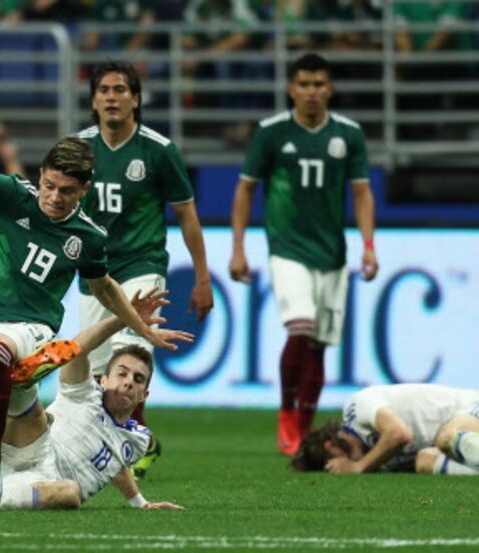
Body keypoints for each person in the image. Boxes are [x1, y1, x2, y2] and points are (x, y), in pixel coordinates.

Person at [0, 107, 188, 511]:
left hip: (30, 328)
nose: (54, 197)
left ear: (83, 190)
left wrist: (142, 329)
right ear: (40, 176)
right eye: (48, 185)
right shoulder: (10, 194)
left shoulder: (89, 237)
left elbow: (103, 287)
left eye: (66, 191)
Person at [229, 52, 378, 457]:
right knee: (301, 328)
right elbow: (245, 189)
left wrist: (368, 247)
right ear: (291, 89)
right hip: (287, 248)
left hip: (331, 253)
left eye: (319, 84)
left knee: (319, 345)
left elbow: (362, 192)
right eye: (304, 84)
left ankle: (305, 428)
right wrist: (238, 248)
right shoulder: (271, 132)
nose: (312, 92)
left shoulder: (349, 134)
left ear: (330, 88)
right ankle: (286, 411)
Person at [76, 60, 214, 478]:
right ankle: (124, 445)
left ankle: (131, 447)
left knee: (131, 360)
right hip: (94, 274)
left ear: (136, 99)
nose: (112, 97)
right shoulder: (77, 149)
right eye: (104, 90)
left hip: (143, 266)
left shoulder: (158, 150)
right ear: (94, 101)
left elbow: (187, 215)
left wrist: (203, 277)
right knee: (99, 375)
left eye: (121, 90)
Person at [0, 288, 190, 510]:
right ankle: (11, 376)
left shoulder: (138, 440)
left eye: (138, 379)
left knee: (70, 493)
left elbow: (116, 463)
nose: (129, 381)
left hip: (44, 484)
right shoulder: (84, 393)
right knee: (37, 415)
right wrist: (123, 319)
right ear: (103, 380)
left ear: (144, 395)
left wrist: (141, 503)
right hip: (18, 448)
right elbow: (76, 351)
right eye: (122, 373)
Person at [291, 384, 479, 476]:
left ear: (331, 446)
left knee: (446, 436)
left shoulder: (356, 406)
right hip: (462, 440)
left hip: (469, 408)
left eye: (333, 462)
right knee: (425, 461)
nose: (340, 467)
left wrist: (358, 467)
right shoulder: (380, 461)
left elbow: (400, 434)